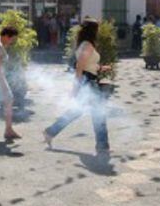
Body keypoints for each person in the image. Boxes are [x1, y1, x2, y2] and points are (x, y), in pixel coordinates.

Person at [43, 18, 111, 153]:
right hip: (88, 83)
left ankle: (50, 132)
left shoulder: (86, 45)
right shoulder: (87, 46)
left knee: (76, 112)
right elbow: (80, 67)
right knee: (99, 114)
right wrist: (76, 87)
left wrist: (101, 68)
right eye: (97, 29)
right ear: (93, 31)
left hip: (89, 81)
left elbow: (87, 65)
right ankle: (102, 146)